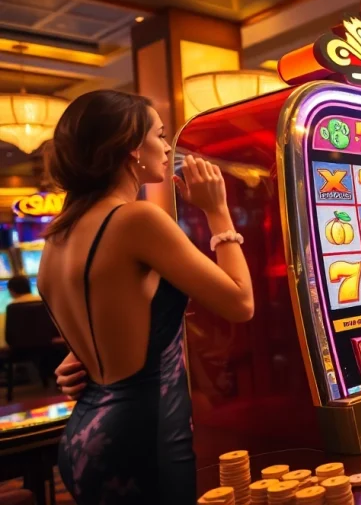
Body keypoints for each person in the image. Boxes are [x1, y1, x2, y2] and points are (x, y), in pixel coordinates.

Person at [40, 90, 255, 504]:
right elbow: (240, 302)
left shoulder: (57, 235)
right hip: (142, 436)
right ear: (131, 148)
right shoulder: (137, 219)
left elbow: (98, 333)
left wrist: (77, 359)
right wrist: (218, 212)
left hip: (83, 433)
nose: (169, 146)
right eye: (160, 134)